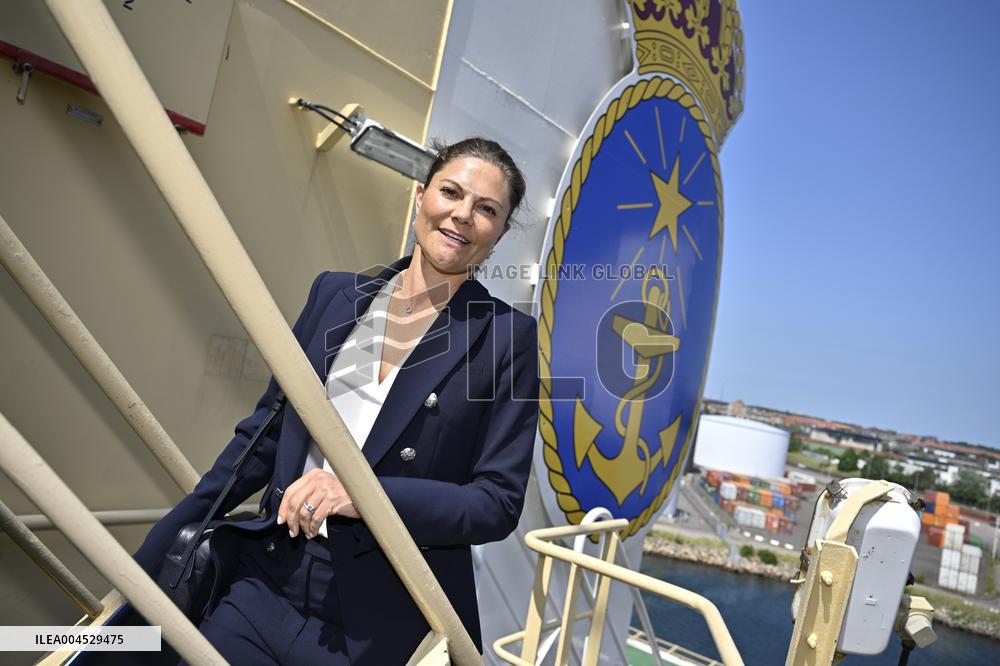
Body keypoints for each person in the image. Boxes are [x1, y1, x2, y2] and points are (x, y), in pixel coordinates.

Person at [129, 137, 540, 664]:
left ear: (500, 233)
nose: (462, 215)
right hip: (266, 583)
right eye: (450, 192)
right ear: (421, 195)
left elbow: (496, 502)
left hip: (376, 621)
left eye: (486, 209)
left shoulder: (506, 337)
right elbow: (263, 439)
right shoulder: (336, 296)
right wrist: (149, 562)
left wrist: (364, 496)